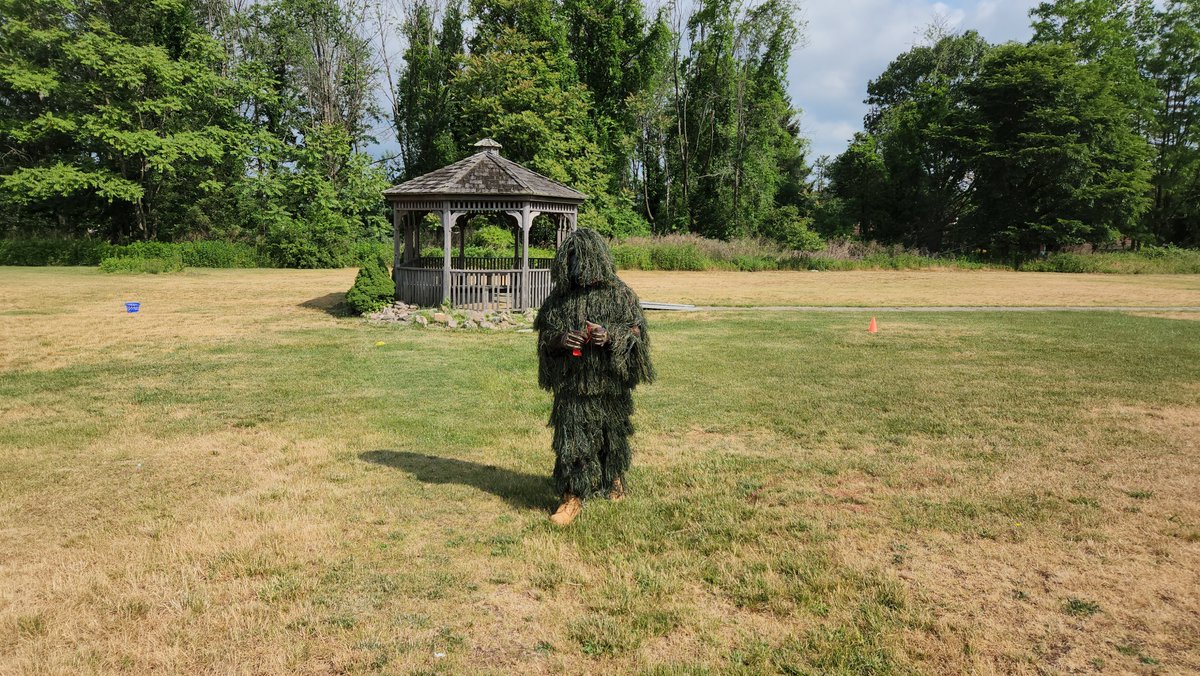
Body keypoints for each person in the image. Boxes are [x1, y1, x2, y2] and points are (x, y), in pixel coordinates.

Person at [534, 228, 655, 526]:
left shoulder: (620, 294)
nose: (576, 266)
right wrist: (561, 339)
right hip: (573, 387)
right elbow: (545, 335)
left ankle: (613, 478)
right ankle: (572, 497)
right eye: (571, 259)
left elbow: (636, 332)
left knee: (612, 435)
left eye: (581, 259)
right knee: (573, 440)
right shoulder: (559, 299)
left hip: (609, 384)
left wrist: (609, 335)